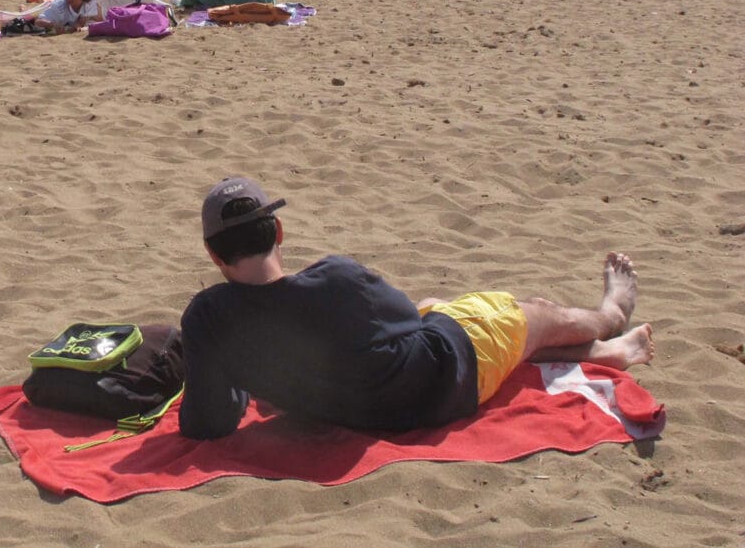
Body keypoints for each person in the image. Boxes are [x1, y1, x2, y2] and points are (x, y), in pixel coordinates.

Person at [178, 177, 655, 439]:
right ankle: (611, 316)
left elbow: (205, 423)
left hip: (360, 409)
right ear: (279, 233)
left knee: (435, 310)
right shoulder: (337, 281)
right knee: (536, 311)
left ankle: (602, 354)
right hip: (443, 385)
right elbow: (411, 323)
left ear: (213, 256)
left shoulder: (205, 318)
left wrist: (240, 380)